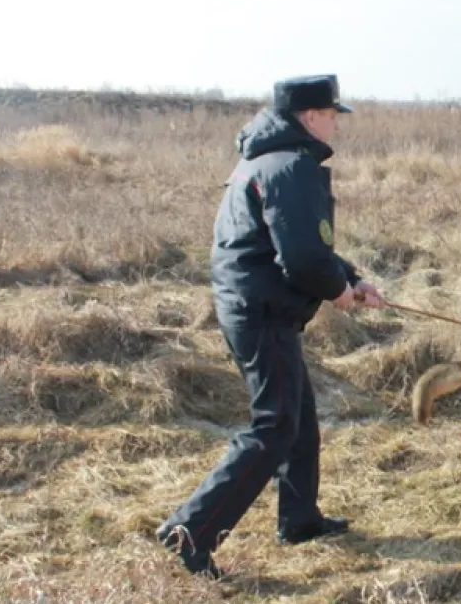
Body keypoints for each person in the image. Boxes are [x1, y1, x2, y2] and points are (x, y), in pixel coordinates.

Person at [156, 74, 385, 579]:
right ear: (309, 117)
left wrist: (352, 278)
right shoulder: (292, 167)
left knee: (297, 416)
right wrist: (339, 293)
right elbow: (302, 258)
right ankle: (189, 533)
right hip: (262, 312)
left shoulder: (267, 160)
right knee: (276, 426)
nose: (336, 126)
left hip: (253, 304)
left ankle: (300, 520)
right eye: (332, 115)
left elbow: (301, 240)